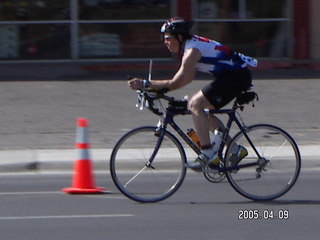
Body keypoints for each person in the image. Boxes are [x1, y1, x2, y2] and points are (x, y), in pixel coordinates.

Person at [128, 17, 257, 171]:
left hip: (236, 77)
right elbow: (186, 80)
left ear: (179, 37)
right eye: (164, 38)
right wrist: (156, 89)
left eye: (168, 38)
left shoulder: (192, 51)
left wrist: (145, 84)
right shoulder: (190, 48)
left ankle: (207, 153)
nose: (165, 41)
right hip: (231, 76)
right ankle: (234, 149)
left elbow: (175, 82)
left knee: (195, 104)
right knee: (199, 109)